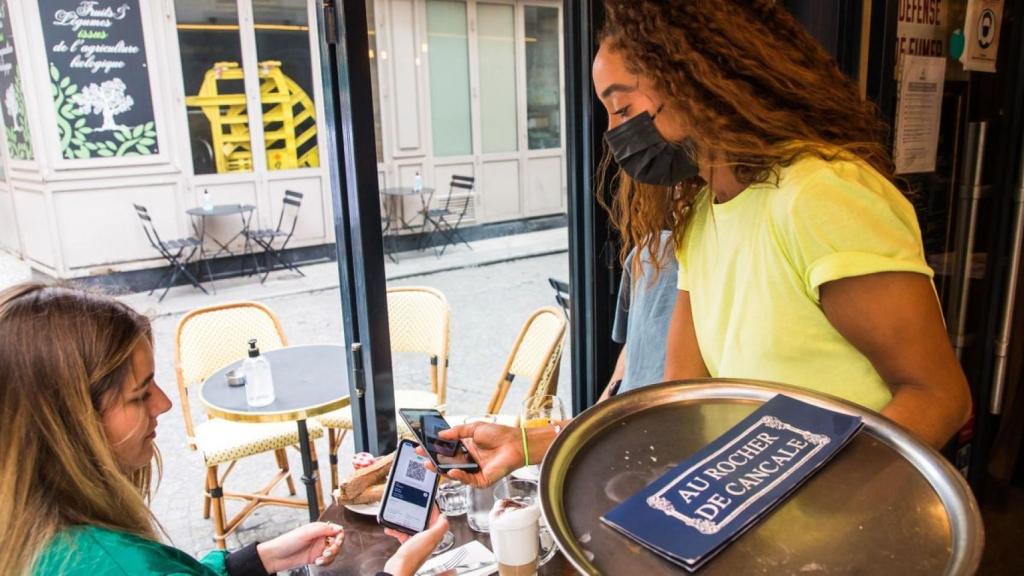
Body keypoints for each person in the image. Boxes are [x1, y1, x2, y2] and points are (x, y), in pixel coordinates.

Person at [426, 0, 973, 487]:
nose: (617, 133)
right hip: (742, 512)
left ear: (697, 80)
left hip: (840, 520)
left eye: (622, 107)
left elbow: (939, 397)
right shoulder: (701, 219)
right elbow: (677, 403)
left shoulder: (821, 196)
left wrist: (803, 489)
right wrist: (532, 442)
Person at [0, 283, 447, 576]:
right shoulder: (113, 564)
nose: (165, 403)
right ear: (69, 421)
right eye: (139, 394)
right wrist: (400, 567)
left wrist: (256, 560)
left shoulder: (37, 535)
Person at [599, 229, 679, 401]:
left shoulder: (652, 250)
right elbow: (632, 345)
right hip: (628, 408)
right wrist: (592, 415)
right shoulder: (651, 250)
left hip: (654, 412)